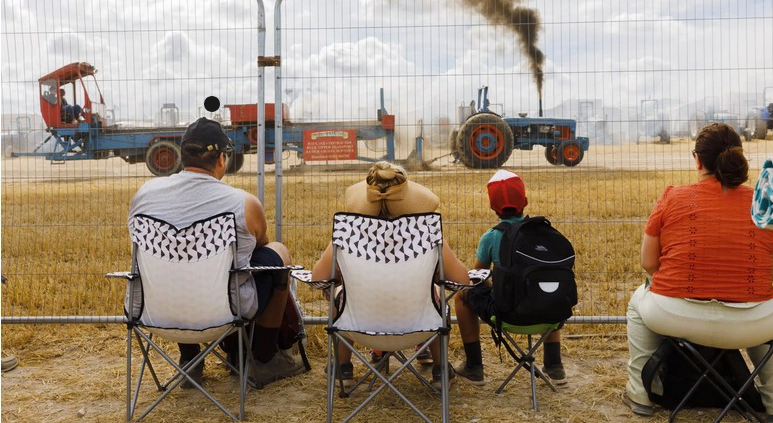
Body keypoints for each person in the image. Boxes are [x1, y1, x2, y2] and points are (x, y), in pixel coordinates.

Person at [127, 117, 306, 388]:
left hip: (152, 310)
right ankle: (264, 359)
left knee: (176, 262)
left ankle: (190, 361)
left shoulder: (144, 194)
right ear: (222, 158)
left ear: (183, 154)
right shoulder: (242, 202)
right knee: (278, 254)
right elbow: (262, 244)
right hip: (224, 310)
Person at [623, 123, 773, 420]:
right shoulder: (766, 205)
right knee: (768, 322)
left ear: (697, 159)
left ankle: (641, 395)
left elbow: (648, 264)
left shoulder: (672, 197)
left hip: (675, 316)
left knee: (637, 302)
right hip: (752, 324)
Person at [311, 161, 470, 388]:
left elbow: (318, 279)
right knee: (434, 295)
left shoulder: (348, 234)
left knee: (342, 294)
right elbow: (462, 281)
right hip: (418, 326)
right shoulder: (426, 234)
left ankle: (342, 368)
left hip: (360, 326)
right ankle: (440, 370)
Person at [453, 169, 568, 386]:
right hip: (551, 317)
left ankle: (474, 366)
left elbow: (477, 278)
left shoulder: (491, 237)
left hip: (510, 316)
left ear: (492, 207)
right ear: (525, 200)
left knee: (462, 295)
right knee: (550, 288)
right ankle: (554, 365)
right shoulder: (545, 232)